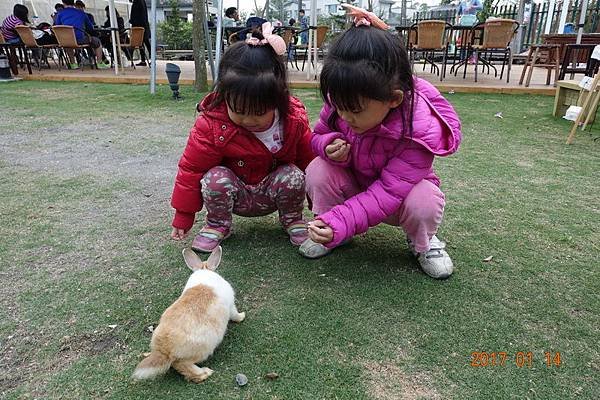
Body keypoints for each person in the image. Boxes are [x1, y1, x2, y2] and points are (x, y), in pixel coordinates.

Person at [300, 5, 462, 280]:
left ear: (394, 99)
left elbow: (388, 192)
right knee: (318, 169)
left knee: (424, 200)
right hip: (354, 183)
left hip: (396, 200)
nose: (345, 116)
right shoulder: (344, 99)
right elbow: (315, 136)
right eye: (338, 106)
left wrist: (341, 221)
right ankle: (327, 232)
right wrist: (327, 146)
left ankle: (422, 243)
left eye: (355, 110)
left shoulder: (417, 131)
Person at [169, 22, 314, 252]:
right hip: (235, 194)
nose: (247, 120)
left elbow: (310, 163)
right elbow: (191, 169)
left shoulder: (292, 121)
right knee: (213, 176)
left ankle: (293, 219)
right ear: (224, 97)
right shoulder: (213, 124)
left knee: (294, 174)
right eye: (238, 111)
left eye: (257, 113)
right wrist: (184, 214)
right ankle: (218, 225)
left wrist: (319, 208)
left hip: (273, 193)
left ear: (277, 99)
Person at [54, 0, 109, 69]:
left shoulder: (59, 14)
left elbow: (57, 27)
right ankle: (99, 63)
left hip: (67, 41)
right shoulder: (81, 13)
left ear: (63, 3)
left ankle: (73, 64)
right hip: (80, 40)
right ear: (73, 3)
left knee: (67, 43)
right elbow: (90, 28)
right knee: (97, 41)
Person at [129, 0, 151, 66]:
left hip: (139, 26)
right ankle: (146, 60)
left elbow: (135, 15)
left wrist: (132, 22)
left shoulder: (137, 2)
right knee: (144, 43)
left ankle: (144, 60)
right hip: (143, 25)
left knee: (142, 43)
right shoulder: (141, 1)